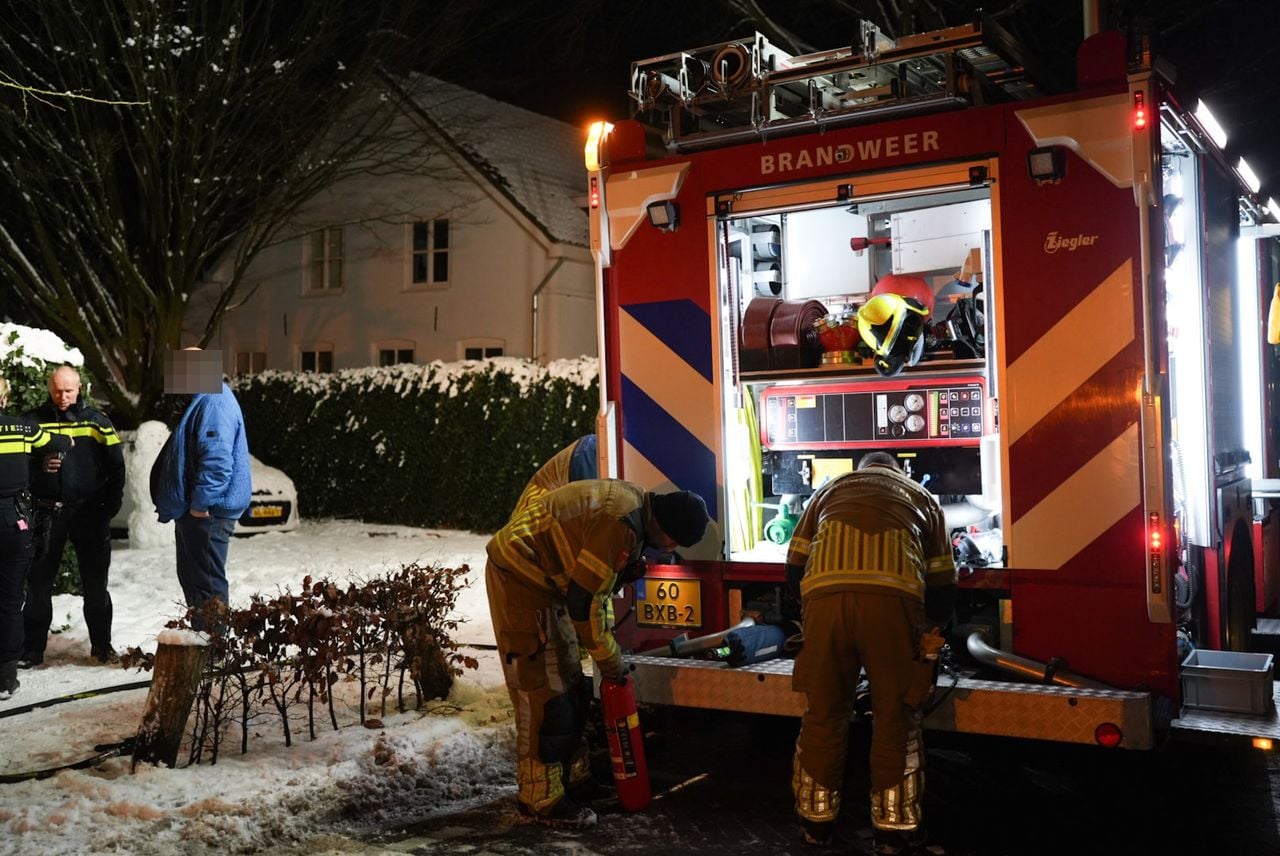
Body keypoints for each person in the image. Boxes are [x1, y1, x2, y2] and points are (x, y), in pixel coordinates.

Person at [486, 479, 710, 830]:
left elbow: (595, 595)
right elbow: (585, 602)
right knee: (545, 693)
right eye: (675, 541)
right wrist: (610, 662)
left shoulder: (635, 514)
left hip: (549, 583)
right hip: (521, 577)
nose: (670, 548)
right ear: (666, 528)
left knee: (572, 685)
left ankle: (574, 777)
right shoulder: (621, 524)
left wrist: (603, 648)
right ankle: (540, 798)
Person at [785, 452, 956, 854]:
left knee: (823, 714)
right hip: (893, 603)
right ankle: (893, 830)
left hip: (824, 600)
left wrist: (815, 613)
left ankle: (816, 823)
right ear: (899, 471)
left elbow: (794, 568)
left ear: (860, 471)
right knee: (895, 715)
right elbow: (943, 581)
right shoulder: (923, 497)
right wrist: (933, 631)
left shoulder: (828, 491)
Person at [20, 365, 125, 667]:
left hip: (89, 513)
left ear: (80, 388)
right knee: (38, 584)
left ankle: (102, 646)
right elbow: (16, 464)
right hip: (46, 513)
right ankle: (33, 649)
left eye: (68, 390)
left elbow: (116, 469)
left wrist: (109, 509)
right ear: (48, 388)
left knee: (95, 585)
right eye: (56, 390)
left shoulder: (97, 422)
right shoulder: (32, 422)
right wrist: (38, 468)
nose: (62, 396)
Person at [149, 349, 251, 627]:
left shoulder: (214, 403)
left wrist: (200, 505)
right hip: (197, 511)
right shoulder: (203, 399)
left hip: (207, 513)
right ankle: (203, 645)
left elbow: (217, 462)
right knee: (196, 580)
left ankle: (213, 652)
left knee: (206, 584)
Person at [0, 377, 70, 698]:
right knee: (11, 601)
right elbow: (60, 442)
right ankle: (5, 677)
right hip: (14, 526)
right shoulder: (20, 430)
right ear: (4, 399)